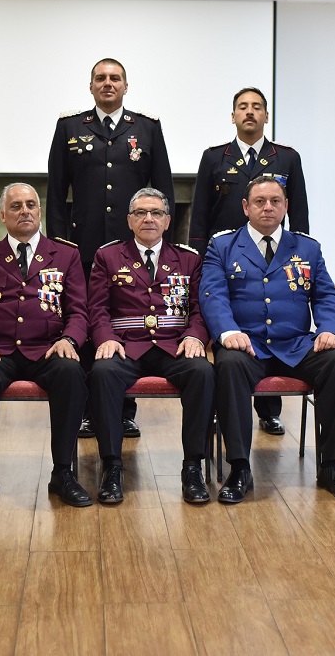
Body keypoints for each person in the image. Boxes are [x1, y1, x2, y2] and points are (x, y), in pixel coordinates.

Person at [199, 175, 335, 503]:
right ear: (246, 207)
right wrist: (228, 332)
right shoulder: (223, 245)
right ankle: (240, 468)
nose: (268, 207)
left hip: (297, 344)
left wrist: (330, 328)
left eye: (275, 201)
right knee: (228, 366)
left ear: (286, 206)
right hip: (247, 344)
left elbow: (327, 295)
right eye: (259, 201)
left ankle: (333, 466)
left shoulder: (307, 248)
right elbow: (212, 294)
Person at [47, 58, 173, 439]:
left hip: (132, 248)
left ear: (125, 86)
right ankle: (88, 408)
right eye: (100, 78)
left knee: (125, 320)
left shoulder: (147, 129)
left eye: (114, 78)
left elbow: (162, 187)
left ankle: (124, 409)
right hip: (81, 246)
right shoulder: (70, 127)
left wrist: (159, 240)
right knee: (85, 322)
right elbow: (56, 191)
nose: (107, 84)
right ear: (91, 87)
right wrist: (57, 245)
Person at [0, 183, 92, 508]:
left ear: (40, 211)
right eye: (16, 206)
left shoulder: (66, 254)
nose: (25, 211)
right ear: (2, 215)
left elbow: (78, 310)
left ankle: (63, 473)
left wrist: (69, 340)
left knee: (72, 373)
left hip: (48, 348)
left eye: (31, 204)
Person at [190, 87, 309, 437]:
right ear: (233, 116)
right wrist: (198, 260)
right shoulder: (215, 158)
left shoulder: (286, 157)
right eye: (243, 107)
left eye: (257, 107)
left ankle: (269, 409)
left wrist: (300, 252)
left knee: (270, 324)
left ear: (266, 116)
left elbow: (298, 214)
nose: (250, 112)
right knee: (227, 334)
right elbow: (199, 215)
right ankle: (221, 406)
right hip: (224, 259)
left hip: (273, 256)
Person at [88, 188, 213, 505]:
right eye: (141, 213)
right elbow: (97, 309)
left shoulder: (188, 259)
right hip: (126, 346)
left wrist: (195, 335)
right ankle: (112, 466)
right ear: (129, 220)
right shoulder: (108, 256)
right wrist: (106, 339)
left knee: (202, 372)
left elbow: (200, 308)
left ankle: (193, 467)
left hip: (174, 346)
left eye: (156, 213)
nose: (149, 218)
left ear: (168, 220)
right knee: (102, 372)